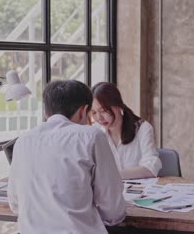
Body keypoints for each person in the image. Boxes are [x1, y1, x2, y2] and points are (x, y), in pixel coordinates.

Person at [8, 80, 126, 234]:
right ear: (83, 111)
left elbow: (15, 205)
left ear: (47, 114)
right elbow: (112, 210)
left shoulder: (23, 140)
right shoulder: (91, 136)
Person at [91, 82, 162, 179]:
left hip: (141, 191)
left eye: (103, 110)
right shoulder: (94, 131)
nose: (99, 118)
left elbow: (150, 167)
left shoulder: (142, 128)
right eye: (94, 112)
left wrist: (113, 176)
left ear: (118, 106)